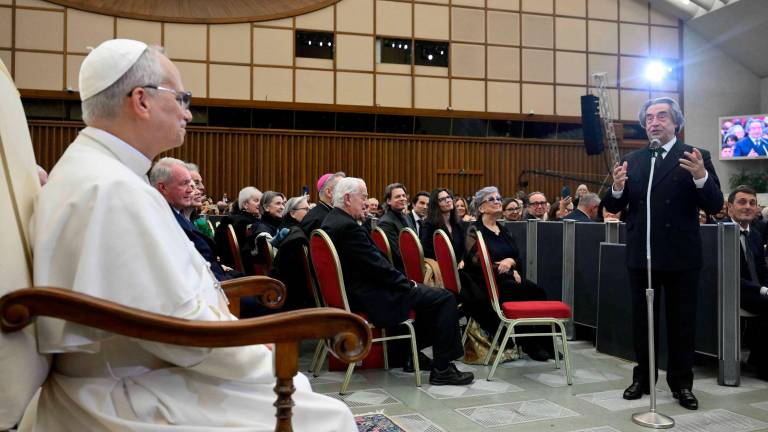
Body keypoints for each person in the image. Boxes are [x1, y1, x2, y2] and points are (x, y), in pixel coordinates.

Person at [28, 39, 356, 430]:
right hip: (126, 387)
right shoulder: (112, 188)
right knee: (327, 416)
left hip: (143, 367)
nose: (188, 111)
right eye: (181, 97)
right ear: (141, 101)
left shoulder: (102, 172)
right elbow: (173, 326)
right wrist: (256, 349)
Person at [603, 97, 723, 410]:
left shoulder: (696, 156)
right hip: (642, 256)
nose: (654, 123)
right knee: (643, 321)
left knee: (682, 323)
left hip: (681, 256)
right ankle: (643, 378)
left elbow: (714, 205)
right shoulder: (635, 159)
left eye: (662, 117)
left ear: (676, 123)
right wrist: (616, 188)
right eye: (649, 119)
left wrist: (701, 177)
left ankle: (682, 383)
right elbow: (614, 206)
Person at [321, 177, 474, 386]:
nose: (366, 202)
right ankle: (443, 368)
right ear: (348, 199)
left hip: (357, 292)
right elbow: (377, 267)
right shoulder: (348, 228)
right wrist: (406, 284)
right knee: (446, 298)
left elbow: (371, 263)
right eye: (363, 197)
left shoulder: (334, 221)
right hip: (371, 296)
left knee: (430, 299)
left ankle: (410, 354)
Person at [462, 186, 554, 361]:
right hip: (487, 284)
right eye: (492, 199)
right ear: (481, 208)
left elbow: (517, 256)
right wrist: (504, 268)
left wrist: (511, 264)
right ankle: (530, 344)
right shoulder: (474, 231)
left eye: (498, 198)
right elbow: (475, 263)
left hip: (508, 278)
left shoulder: (503, 230)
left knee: (538, 291)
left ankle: (546, 344)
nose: (497, 201)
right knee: (521, 292)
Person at [150, 157, 237, 281]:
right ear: (163, 188)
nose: (192, 190)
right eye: (184, 183)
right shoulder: (163, 220)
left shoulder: (176, 215)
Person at [726, 185, 768, 380]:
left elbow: (762, 270)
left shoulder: (756, 235)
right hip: (731, 290)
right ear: (730, 208)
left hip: (756, 291)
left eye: (752, 203)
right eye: (742, 202)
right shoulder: (721, 233)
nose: (748, 207)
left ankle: (756, 357)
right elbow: (727, 274)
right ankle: (762, 365)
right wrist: (762, 290)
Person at [419, 188, 465, 263]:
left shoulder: (458, 223)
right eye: (442, 199)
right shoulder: (428, 225)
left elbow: (464, 248)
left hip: (459, 267)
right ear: (436, 204)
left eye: (448, 197)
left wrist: (462, 260)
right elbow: (428, 252)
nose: (448, 201)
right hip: (441, 267)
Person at [378, 182, 416, 272]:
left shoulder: (407, 217)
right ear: (388, 201)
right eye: (398, 196)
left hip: (413, 263)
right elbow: (397, 253)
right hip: (400, 270)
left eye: (404, 195)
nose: (402, 198)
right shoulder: (386, 222)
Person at [300, 172, 345, 236]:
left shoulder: (327, 213)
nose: (346, 193)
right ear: (329, 192)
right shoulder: (321, 220)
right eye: (342, 189)